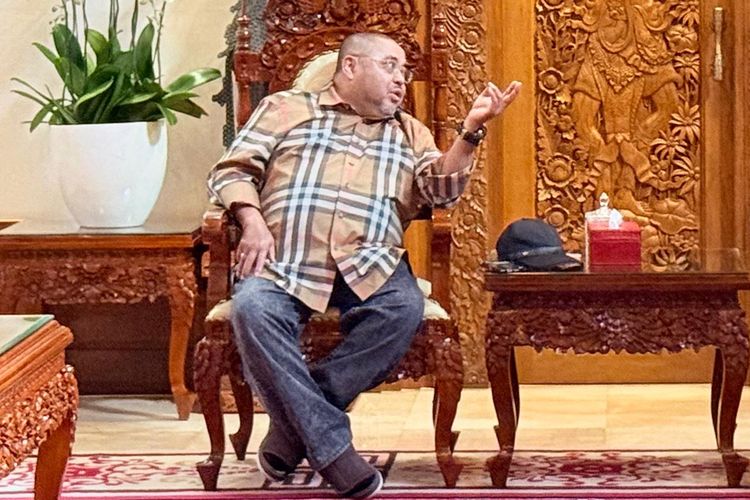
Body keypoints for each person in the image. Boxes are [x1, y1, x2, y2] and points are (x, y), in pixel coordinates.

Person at [207, 32, 521, 498]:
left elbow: (441, 190)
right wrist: (251, 221)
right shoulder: (285, 109)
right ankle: (335, 452)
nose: (401, 79)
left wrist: (471, 131)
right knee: (253, 307)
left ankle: (295, 431)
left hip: (371, 262)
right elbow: (231, 171)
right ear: (350, 67)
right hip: (286, 258)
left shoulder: (409, 131)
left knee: (403, 308)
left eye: (405, 71)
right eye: (390, 66)